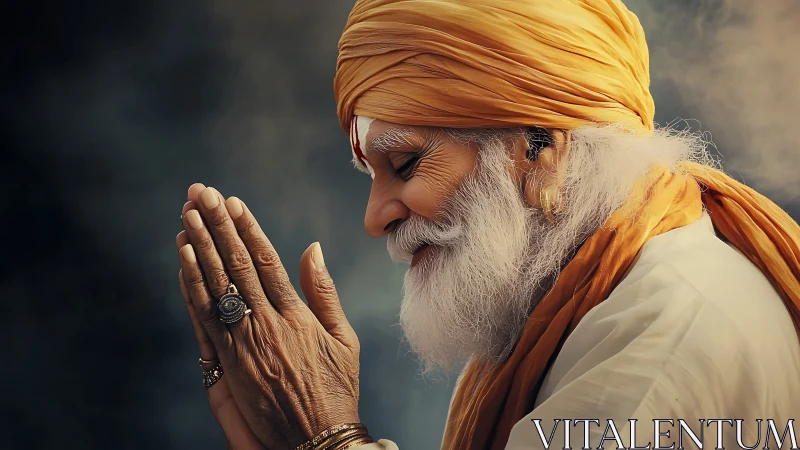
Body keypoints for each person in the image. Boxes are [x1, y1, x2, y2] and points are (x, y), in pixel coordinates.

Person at [174, 1, 800, 449]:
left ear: (540, 149)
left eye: (406, 162)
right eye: (372, 177)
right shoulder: (586, 304)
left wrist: (326, 437)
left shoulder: (662, 339)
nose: (375, 218)